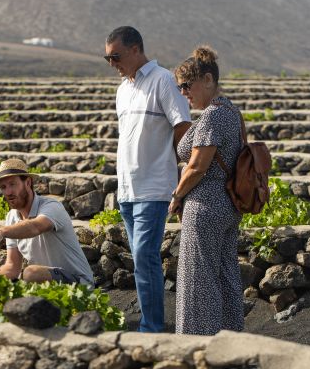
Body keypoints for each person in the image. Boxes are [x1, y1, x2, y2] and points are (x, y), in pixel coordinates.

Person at [104, 26, 191, 332]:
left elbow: (183, 127)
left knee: (144, 258)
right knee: (142, 259)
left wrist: (180, 177)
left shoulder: (163, 80)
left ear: (136, 49)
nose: (111, 63)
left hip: (155, 187)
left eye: (115, 56)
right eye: (107, 58)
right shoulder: (123, 90)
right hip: (128, 188)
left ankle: (151, 328)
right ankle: (151, 323)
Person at [169, 46, 244, 335]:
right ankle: (229, 338)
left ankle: (198, 343)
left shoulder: (213, 115)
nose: (183, 92)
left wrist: (177, 196)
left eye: (187, 85)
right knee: (225, 275)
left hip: (206, 205)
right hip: (227, 205)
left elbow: (198, 166)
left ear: (209, 80)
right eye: (180, 87)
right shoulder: (231, 111)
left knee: (197, 279)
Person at [0, 159, 94, 286]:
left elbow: (35, 227)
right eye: (3, 187)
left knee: (31, 273)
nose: (8, 192)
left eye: (12, 184)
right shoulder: (11, 217)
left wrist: (1, 231)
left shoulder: (52, 206)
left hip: (80, 284)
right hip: (47, 285)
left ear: (28, 182)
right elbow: (12, 268)